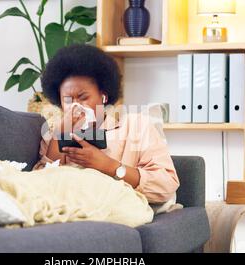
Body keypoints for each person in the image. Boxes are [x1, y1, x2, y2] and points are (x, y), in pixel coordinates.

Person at [33, 44, 179, 204]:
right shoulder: (53, 134)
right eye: (67, 100)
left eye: (83, 97)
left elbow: (166, 184)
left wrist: (109, 166)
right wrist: (59, 137)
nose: (75, 105)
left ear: (103, 97)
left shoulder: (136, 125)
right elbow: (39, 187)